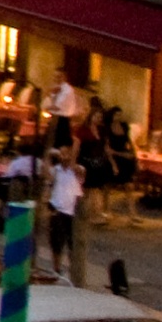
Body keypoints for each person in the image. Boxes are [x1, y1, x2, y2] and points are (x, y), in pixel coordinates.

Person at [48, 144, 84, 278]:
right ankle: (56, 269)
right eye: (62, 154)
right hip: (57, 209)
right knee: (56, 242)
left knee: (72, 243)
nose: (64, 157)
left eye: (67, 153)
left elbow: (79, 173)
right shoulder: (56, 170)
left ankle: (73, 270)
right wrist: (48, 156)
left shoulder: (77, 169)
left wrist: (74, 149)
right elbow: (47, 176)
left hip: (71, 212)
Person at [76, 99, 111, 221]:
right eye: (96, 116)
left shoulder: (101, 131)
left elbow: (105, 147)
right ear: (91, 116)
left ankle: (95, 213)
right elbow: (77, 146)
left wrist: (110, 163)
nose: (98, 119)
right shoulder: (83, 130)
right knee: (86, 190)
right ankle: (84, 213)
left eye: (100, 117)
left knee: (95, 190)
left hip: (97, 162)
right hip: (85, 161)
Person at [104, 106, 137, 216]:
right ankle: (106, 209)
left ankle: (132, 212)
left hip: (124, 156)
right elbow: (108, 149)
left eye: (120, 115)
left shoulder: (124, 126)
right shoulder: (107, 128)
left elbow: (129, 141)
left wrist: (133, 153)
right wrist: (114, 163)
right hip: (113, 157)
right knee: (108, 185)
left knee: (128, 185)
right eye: (117, 114)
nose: (119, 117)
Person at [46, 68, 81, 150]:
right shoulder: (56, 88)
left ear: (64, 77)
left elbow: (56, 106)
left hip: (62, 121)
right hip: (54, 119)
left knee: (60, 146)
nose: (56, 79)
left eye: (59, 77)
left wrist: (46, 106)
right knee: (51, 144)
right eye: (55, 76)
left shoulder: (68, 90)